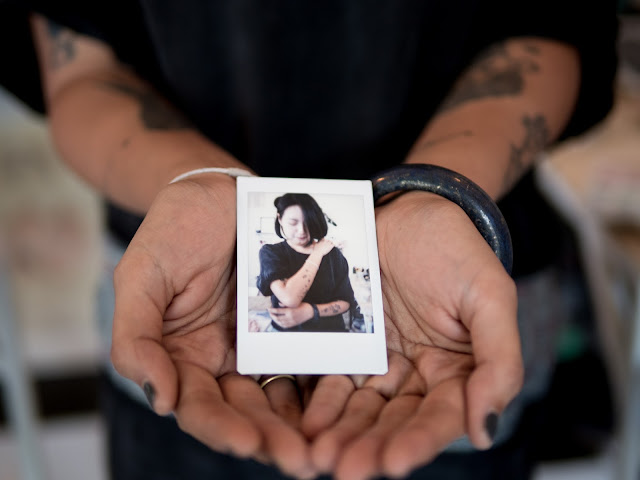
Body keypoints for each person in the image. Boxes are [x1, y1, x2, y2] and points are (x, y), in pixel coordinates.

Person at [0, 0, 618, 479]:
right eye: (288, 222)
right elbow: (81, 71)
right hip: (192, 313)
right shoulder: (278, 254)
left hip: (443, 314)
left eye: (303, 223)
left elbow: (550, 30)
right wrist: (203, 187)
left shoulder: (336, 252)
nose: (296, 228)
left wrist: (435, 194)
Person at [256, 193, 358, 333]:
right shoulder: (271, 253)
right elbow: (290, 298)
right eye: (293, 223)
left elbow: (346, 301)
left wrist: (311, 311)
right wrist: (317, 254)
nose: (301, 231)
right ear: (280, 219)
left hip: (330, 333)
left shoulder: (333, 254)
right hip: (286, 335)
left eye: (308, 222)